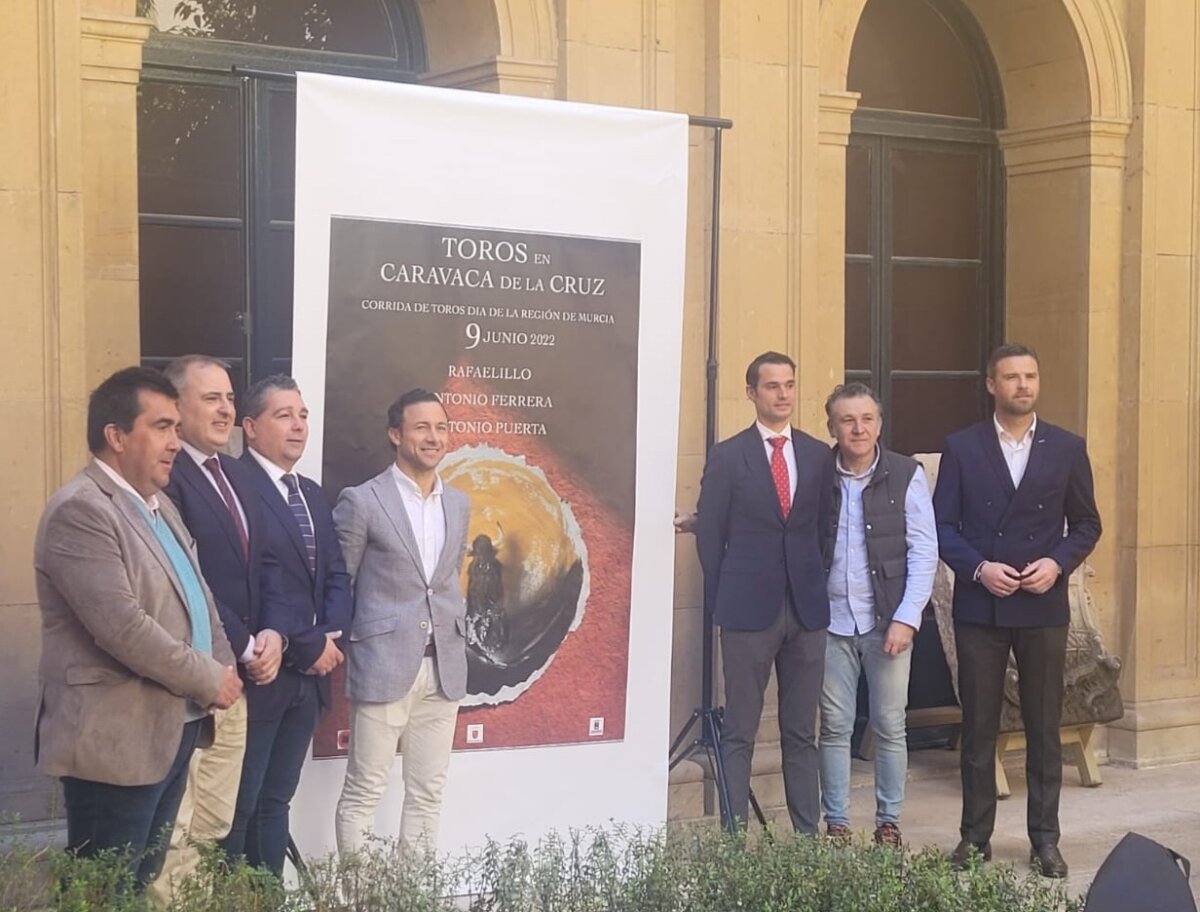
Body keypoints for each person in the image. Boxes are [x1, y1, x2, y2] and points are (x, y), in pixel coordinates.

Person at [34, 367, 241, 889]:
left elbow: (200, 599)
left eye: (176, 427)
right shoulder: (81, 510)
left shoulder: (159, 505)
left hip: (173, 726)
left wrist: (225, 665)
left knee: (143, 878)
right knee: (105, 890)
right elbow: (123, 627)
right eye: (164, 427)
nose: (177, 442)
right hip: (115, 741)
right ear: (116, 435)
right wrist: (206, 677)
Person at [934, 343, 1101, 879]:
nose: (1022, 385)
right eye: (1011, 377)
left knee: (1044, 727)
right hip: (982, 603)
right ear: (991, 385)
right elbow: (942, 527)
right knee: (979, 727)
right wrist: (980, 569)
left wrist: (1057, 562)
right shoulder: (961, 447)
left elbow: (1087, 524)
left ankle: (1045, 841)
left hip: (1042, 602)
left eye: (1030, 376)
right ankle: (974, 837)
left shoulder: (1068, 447)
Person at [152, 355, 285, 901]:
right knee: (175, 837)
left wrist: (274, 631)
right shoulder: (166, 477)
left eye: (229, 397)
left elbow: (269, 561)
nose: (226, 408)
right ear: (175, 409)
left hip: (242, 677)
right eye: (211, 398)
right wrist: (248, 642)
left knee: (216, 826)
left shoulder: (234, 473)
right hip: (196, 678)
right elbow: (192, 581)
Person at [694, 351, 835, 834]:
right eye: (772, 386)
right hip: (747, 611)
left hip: (806, 610)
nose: (783, 395)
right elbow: (709, 534)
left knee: (801, 732)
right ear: (752, 393)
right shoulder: (728, 456)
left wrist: (813, 576)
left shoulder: (818, 455)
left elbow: (825, 529)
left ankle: (807, 840)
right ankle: (735, 842)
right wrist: (725, 594)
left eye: (790, 385)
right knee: (740, 732)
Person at [333, 389, 471, 854]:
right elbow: (340, 582)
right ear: (396, 435)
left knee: (427, 794)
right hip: (383, 664)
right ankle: (364, 902)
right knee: (364, 792)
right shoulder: (363, 501)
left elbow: (445, 582)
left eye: (441, 427)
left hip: (443, 667)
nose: (433, 437)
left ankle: (415, 897)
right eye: (421, 427)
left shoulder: (458, 504)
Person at [234, 375, 353, 875]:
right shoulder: (236, 486)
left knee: (276, 802)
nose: (298, 425)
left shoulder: (311, 493)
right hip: (262, 675)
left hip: (309, 678)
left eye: (302, 415)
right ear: (250, 427)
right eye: (284, 415)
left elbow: (336, 575)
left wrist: (328, 637)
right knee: (241, 808)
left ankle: (267, 897)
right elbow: (253, 584)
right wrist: (306, 643)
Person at [818, 382, 937, 847]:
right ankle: (838, 825)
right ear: (832, 427)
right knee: (834, 726)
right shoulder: (817, 473)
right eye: (847, 420)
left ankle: (888, 822)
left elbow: (924, 550)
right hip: (828, 623)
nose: (858, 428)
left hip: (887, 621)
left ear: (879, 424)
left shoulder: (907, 474)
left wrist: (908, 617)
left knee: (890, 725)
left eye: (866, 419)